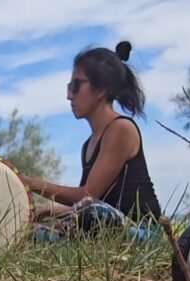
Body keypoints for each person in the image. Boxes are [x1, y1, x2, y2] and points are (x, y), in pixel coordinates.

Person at [22, 41, 162, 242]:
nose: (69, 95)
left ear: (100, 90)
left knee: (90, 212)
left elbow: (87, 197)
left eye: (76, 85)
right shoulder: (88, 145)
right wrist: (46, 210)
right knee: (30, 234)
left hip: (143, 234)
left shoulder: (121, 129)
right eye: (70, 86)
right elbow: (87, 201)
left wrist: (31, 184)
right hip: (107, 227)